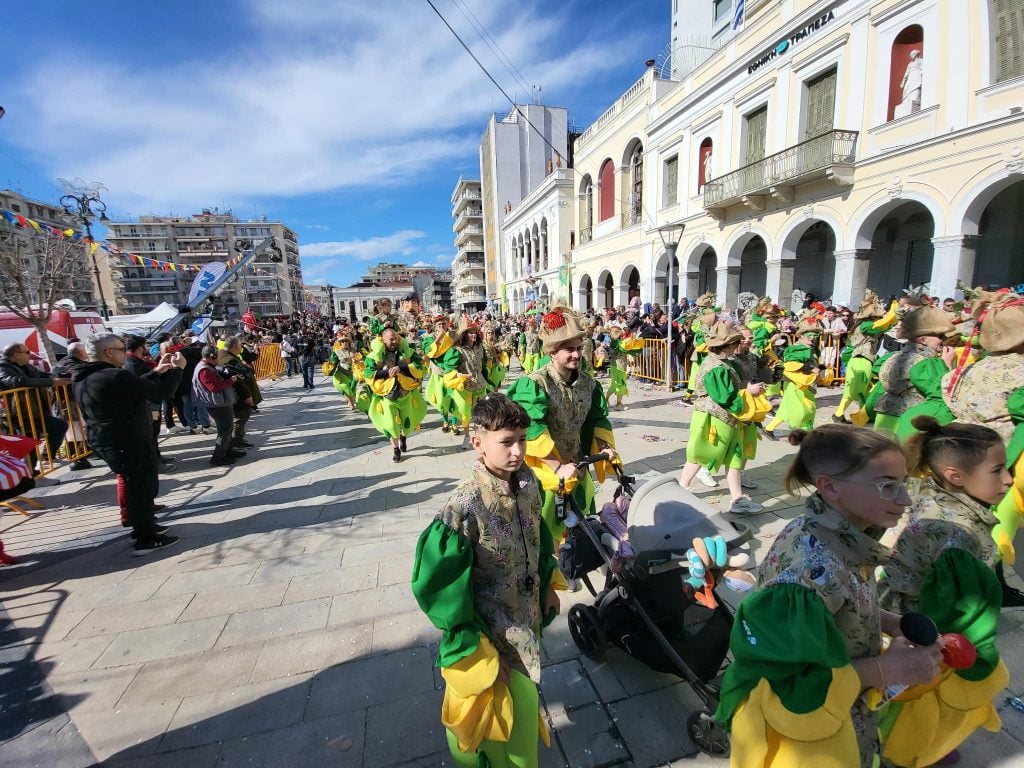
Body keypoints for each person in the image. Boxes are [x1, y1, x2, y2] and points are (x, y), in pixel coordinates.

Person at [716, 425, 943, 768]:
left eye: (904, 483)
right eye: (887, 486)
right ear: (830, 486)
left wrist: (888, 622)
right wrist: (887, 669)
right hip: (815, 734)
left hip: (847, 711)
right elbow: (791, 684)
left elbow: (839, 600)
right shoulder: (809, 571)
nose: (905, 500)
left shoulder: (841, 535)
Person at [411, 393, 561, 768]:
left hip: (526, 620)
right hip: (491, 635)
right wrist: (481, 658)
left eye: (522, 440)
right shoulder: (462, 508)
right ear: (477, 442)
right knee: (496, 727)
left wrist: (548, 584)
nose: (518, 451)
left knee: (520, 707)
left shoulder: (529, 484)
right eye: (506, 442)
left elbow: (539, 538)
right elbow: (443, 591)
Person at [875, 416, 1011, 766]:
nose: (1009, 479)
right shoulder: (958, 535)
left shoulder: (933, 490)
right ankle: (914, 750)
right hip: (923, 626)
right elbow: (961, 610)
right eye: (997, 470)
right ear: (955, 476)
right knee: (922, 697)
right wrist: (977, 656)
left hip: (897, 605)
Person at [507, 304, 618, 545]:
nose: (576, 355)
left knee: (580, 527)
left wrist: (605, 447)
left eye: (579, 348)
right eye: (569, 349)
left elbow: (597, 420)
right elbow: (532, 430)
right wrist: (557, 468)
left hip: (577, 468)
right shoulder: (535, 384)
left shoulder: (589, 384)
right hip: (544, 475)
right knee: (546, 535)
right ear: (553, 352)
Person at [73, 334, 185, 555]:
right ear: (108, 353)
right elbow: (161, 393)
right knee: (140, 488)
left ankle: (145, 526)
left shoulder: (85, 376)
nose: (125, 353)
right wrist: (178, 370)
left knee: (137, 485)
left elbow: (135, 387)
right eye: (121, 349)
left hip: (111, 440)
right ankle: (145, 538)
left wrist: (156, 372)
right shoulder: (115, 376)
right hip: (127, 440)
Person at [677, 323, 766, 514]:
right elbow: (725, 397)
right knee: (701, 454)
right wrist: (748, 393)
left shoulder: (724, 362)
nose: (738, 346)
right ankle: (681, 489)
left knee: (735, 456)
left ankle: (737, 500)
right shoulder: (715, 367)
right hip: (712, 417)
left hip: (727, 418)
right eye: (735, 343)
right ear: (727, 346)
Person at [871, 306, 957, 434]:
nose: (944, 339)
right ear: (923, 340)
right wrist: (947, 365)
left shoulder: (895, 356)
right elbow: (941, 393)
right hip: (909, 421)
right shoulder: (924, 364)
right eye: (940, 336)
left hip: (884, 416)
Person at [0, 342, 70, 476]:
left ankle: (46, 457)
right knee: (29, 441)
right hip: (17, 413)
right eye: (27, 352)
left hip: (33, 410)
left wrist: (55, 377)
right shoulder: (3, 367)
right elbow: (16, 381)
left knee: (59, 426)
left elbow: (40, 375)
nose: (30, 354)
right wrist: (51, 382)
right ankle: (31, 474)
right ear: (16, 355)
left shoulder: (26, 366)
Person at [835, 290, 899, 425]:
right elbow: (885, 323)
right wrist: (893, 306)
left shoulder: (864, 325)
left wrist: (894, 309)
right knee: (856, 390)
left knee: (864, 391)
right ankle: (841, 414)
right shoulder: (866, 325)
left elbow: (888, 323)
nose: (879, 318)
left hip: (863, 360)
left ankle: (862, 415)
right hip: (861, 360)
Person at [364, 327, 428, 462]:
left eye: (396, 338)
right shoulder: (374, 356)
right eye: (391, 339)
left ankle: (403, 437)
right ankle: (396, 449)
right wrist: (386, 373)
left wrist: (402, 368)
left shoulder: (407, 352)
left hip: (405, 394)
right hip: (388, 396)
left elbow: (420, 366)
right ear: (383, 340)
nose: (394, 342)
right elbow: (368, 374)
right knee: (391, 425)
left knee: (406, 422)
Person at [440, 318, 490, 449]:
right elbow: (449, 369)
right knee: (465, 413)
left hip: (479, 386)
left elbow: (483, 365)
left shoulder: (480, 348)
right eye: (470, 332)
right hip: (464, 388)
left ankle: (478, 436)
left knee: (480, 413)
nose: (474, 335)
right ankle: (467, 436)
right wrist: (459, 375)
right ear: (464, 335)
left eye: (474, 332)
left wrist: (489, 380)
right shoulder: (457, 350)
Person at [193, 345, 245, 466]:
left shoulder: (208, 367)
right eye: (217, 356)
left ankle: (228, 451)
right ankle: (218, 457)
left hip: (220, 402)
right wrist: (230, 381)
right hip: (217, 405)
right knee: (224, 430)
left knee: (228, 428)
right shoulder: (204, 370)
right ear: (212, 356)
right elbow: (213, 387)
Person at [50, 341, 94, 471]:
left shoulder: (74, 362)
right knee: (74, 431)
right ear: (80, 351)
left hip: (74, 401)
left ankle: (81, 455)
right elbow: (73, 374)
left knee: (78, 429)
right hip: (68, 402)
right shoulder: (67, 363)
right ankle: (76, 459)